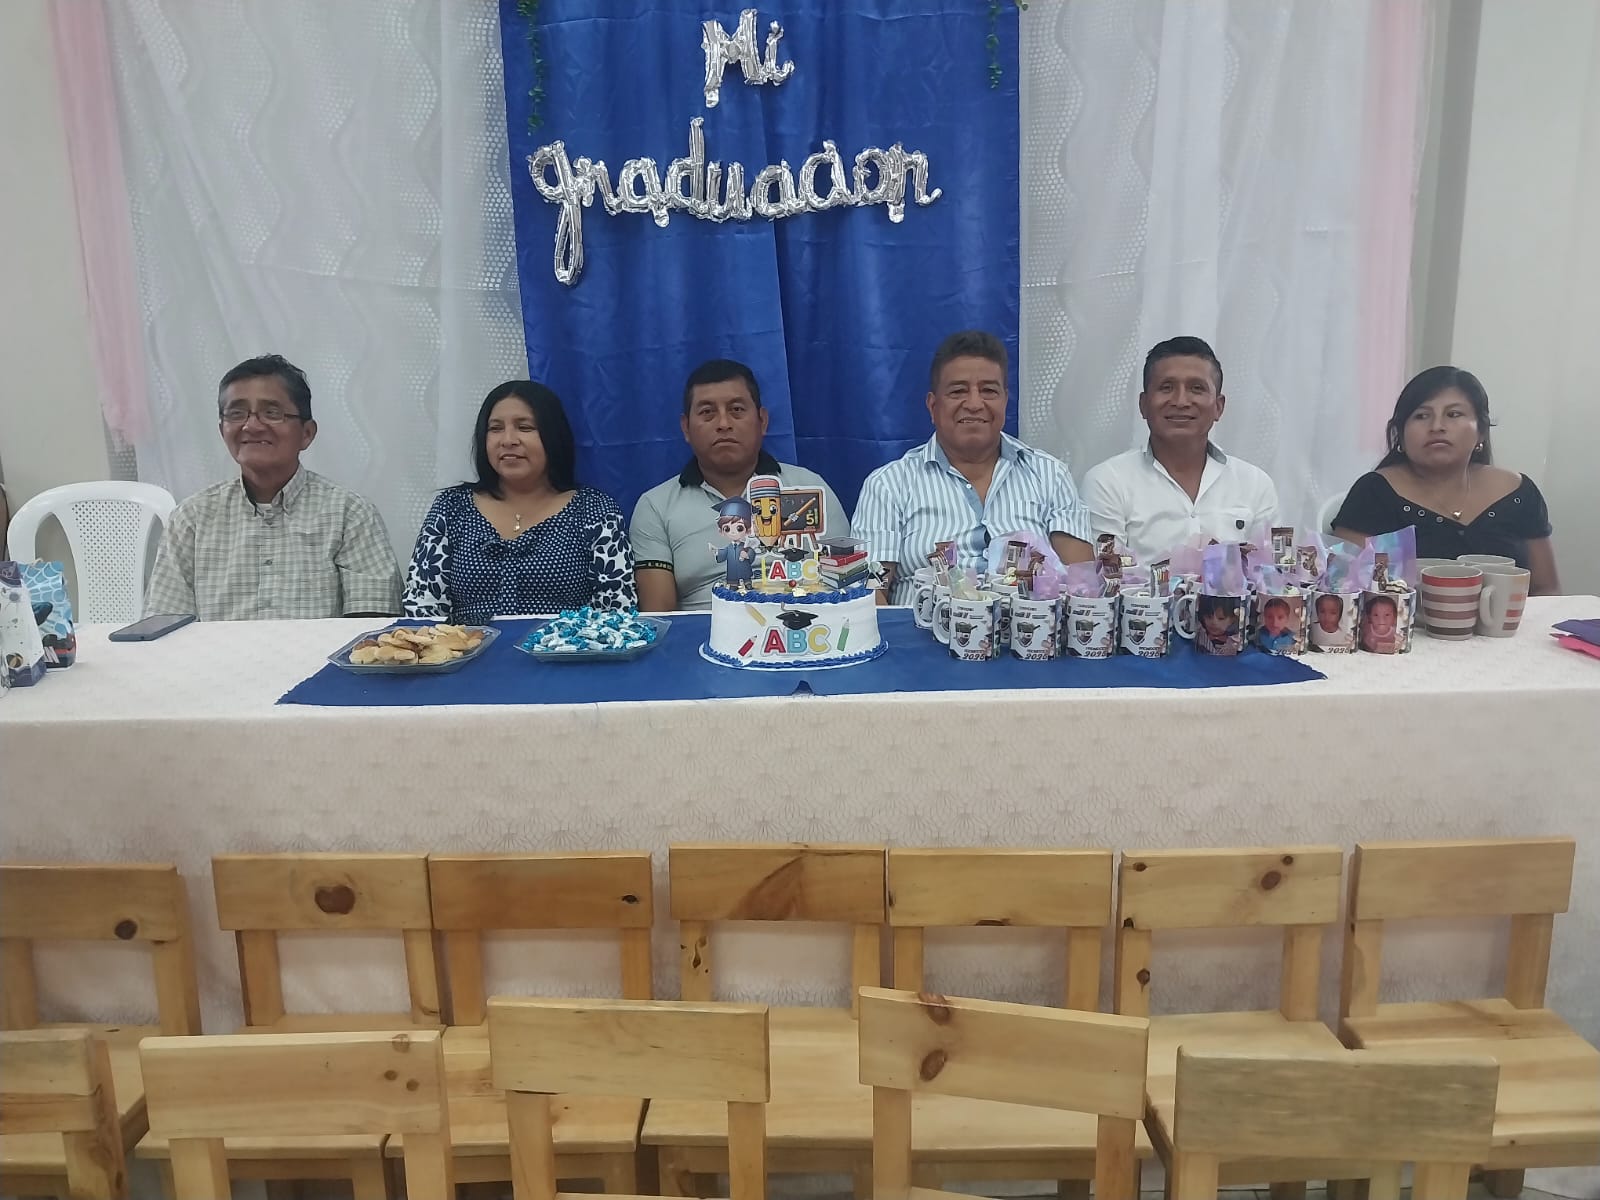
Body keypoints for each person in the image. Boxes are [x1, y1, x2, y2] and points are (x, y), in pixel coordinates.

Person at [144, 354, 401, 621]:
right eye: (237, 413)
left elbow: (373, 629)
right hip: (217, 651)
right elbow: (164, 623)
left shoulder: (350, 514)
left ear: (307, 433)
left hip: (322, 651)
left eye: (272, 413)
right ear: (222, 431)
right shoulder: (191, 519)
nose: (251, 425)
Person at [854, 331, 1094, 606]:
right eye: (958, 391)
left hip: (1031, 629)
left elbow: (1083, 588)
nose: (974, 404)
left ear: (1005, 401)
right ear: (933, 406)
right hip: (922, 631)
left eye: (988, 391)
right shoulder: (888, 485)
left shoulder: (1051, 475)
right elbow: (872, 591)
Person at [403, 382, 635, 621]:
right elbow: (423, 609)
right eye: (495, 428)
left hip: (565, 643)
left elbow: (616, 613)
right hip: (469, 643)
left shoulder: (595, 510)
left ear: (553, 435)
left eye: (524, 427)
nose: (508, 440)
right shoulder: (451, 508)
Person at [631, 360, 848, 610]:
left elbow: (848, 584)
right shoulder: (656, 507)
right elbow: (660, 616)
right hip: (705, 631)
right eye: (707, 412)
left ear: (762, 421)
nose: (723, 423)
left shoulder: (809, 488)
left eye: (736, 410)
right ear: (686, 428)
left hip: (805, 625)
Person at [1333, 366, 1559, 594]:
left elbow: (1547, 589)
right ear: (1400, 434)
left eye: (1453, 414)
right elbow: (1342, 588)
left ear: (1481, 431)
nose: (1437, 427)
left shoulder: (1517, 492)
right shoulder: (1374, 492)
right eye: (1422, 416)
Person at [1081, 337, 1279, 565]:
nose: (1181, 401)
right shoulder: (1107, 482)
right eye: (1166, 388)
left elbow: (1270, 573)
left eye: (1196, 388)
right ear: (1143, 405)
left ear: (1218, 407)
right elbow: (1106, 576)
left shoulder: (1255, 484)